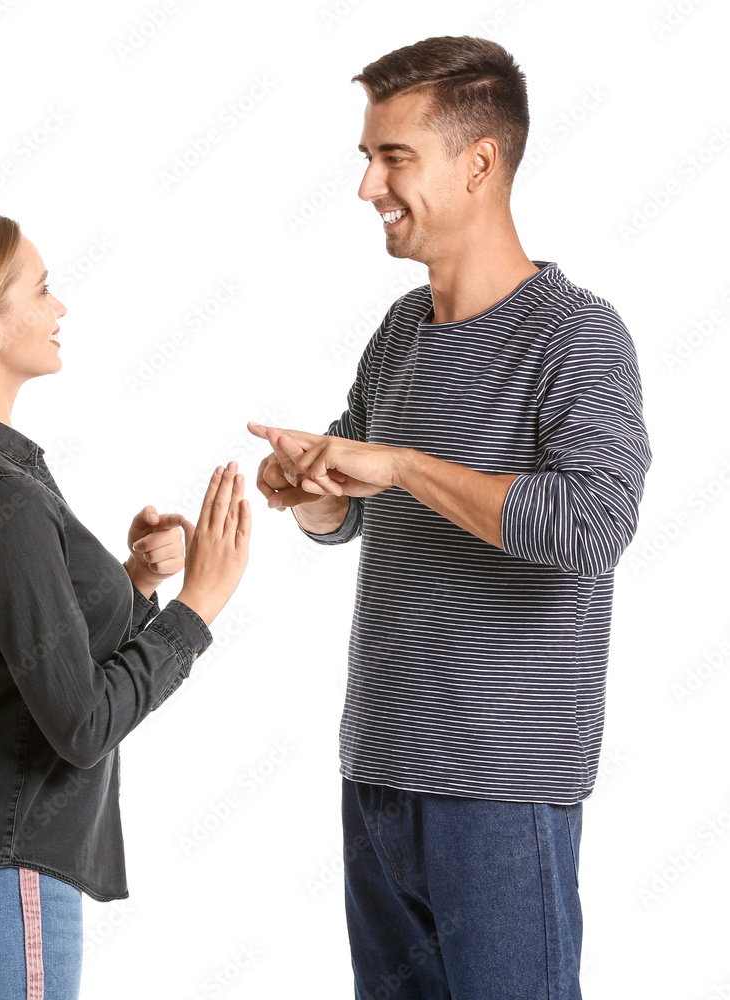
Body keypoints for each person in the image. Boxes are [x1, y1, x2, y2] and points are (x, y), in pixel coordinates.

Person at [250, 36, 651, 1000]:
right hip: (377, 769)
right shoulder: (398, 333)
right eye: (366, 157)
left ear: (478, 163)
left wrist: (396, 464)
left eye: (393, 158)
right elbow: (357, 512)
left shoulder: (577, 335)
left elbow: (591, 524)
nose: (367, 187)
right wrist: (314, 498)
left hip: (501, 794)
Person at [0, 212, 251, 1000]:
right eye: (43, 288)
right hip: (3, 874)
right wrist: (198, 607)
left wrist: (132, 583)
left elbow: (26, 662)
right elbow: (82, 723)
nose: (60, 307)